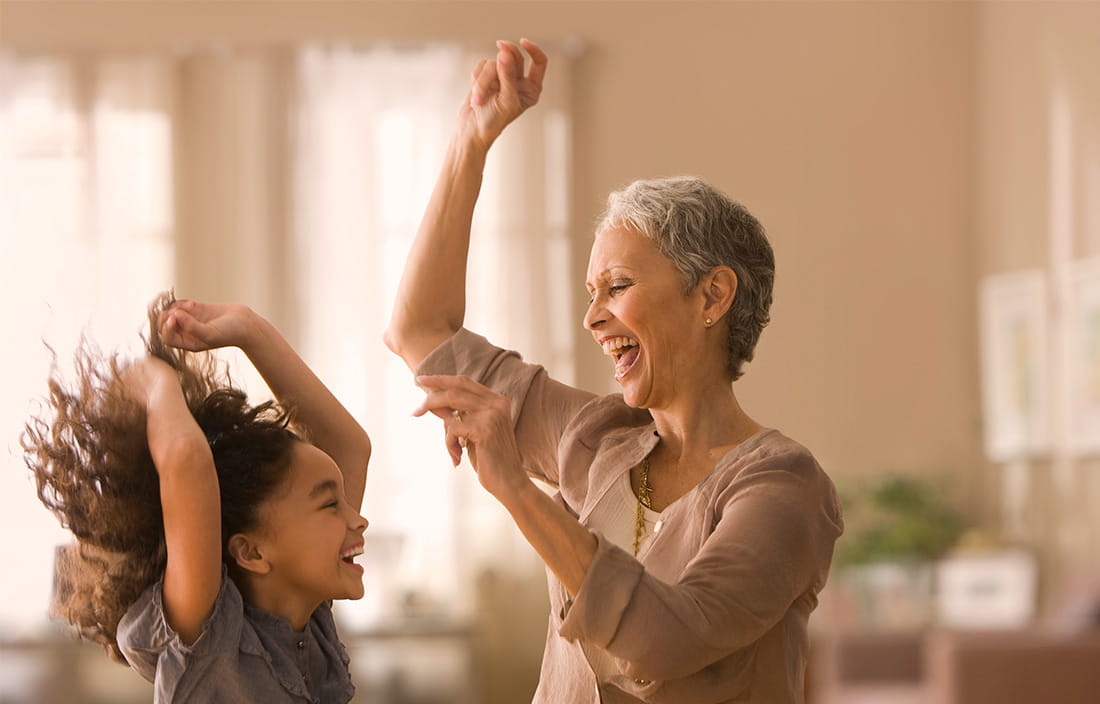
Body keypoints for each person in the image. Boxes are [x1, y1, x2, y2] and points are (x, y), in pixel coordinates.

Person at [384, 39, 843, 703]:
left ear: (711, 296)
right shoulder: (593, 437)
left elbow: (669, 639)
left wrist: (516, 487)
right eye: (591, 294)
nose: (593, 319)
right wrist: (471, 142)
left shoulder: (783, 488)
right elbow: (420, 330)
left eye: (618, 286)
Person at [23, 292, 371, 703]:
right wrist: (155, 379)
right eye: (331, 504)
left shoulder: (306, 625)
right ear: (251, 551)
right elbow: (187, 462)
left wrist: (249, 329)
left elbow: (350, 448)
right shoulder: (210, 637)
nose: (359, 519)